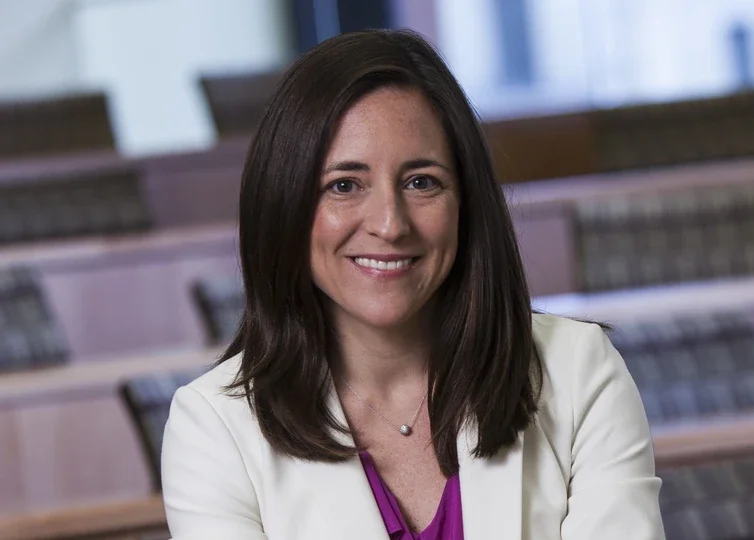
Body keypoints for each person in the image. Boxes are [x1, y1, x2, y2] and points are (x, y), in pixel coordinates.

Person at [161, 29, 664, 540]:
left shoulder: (578, 371)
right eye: (344, 185)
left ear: (466, 202)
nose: (389, 223)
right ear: (284, 205)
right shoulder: (214, 429)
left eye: (421, 182)